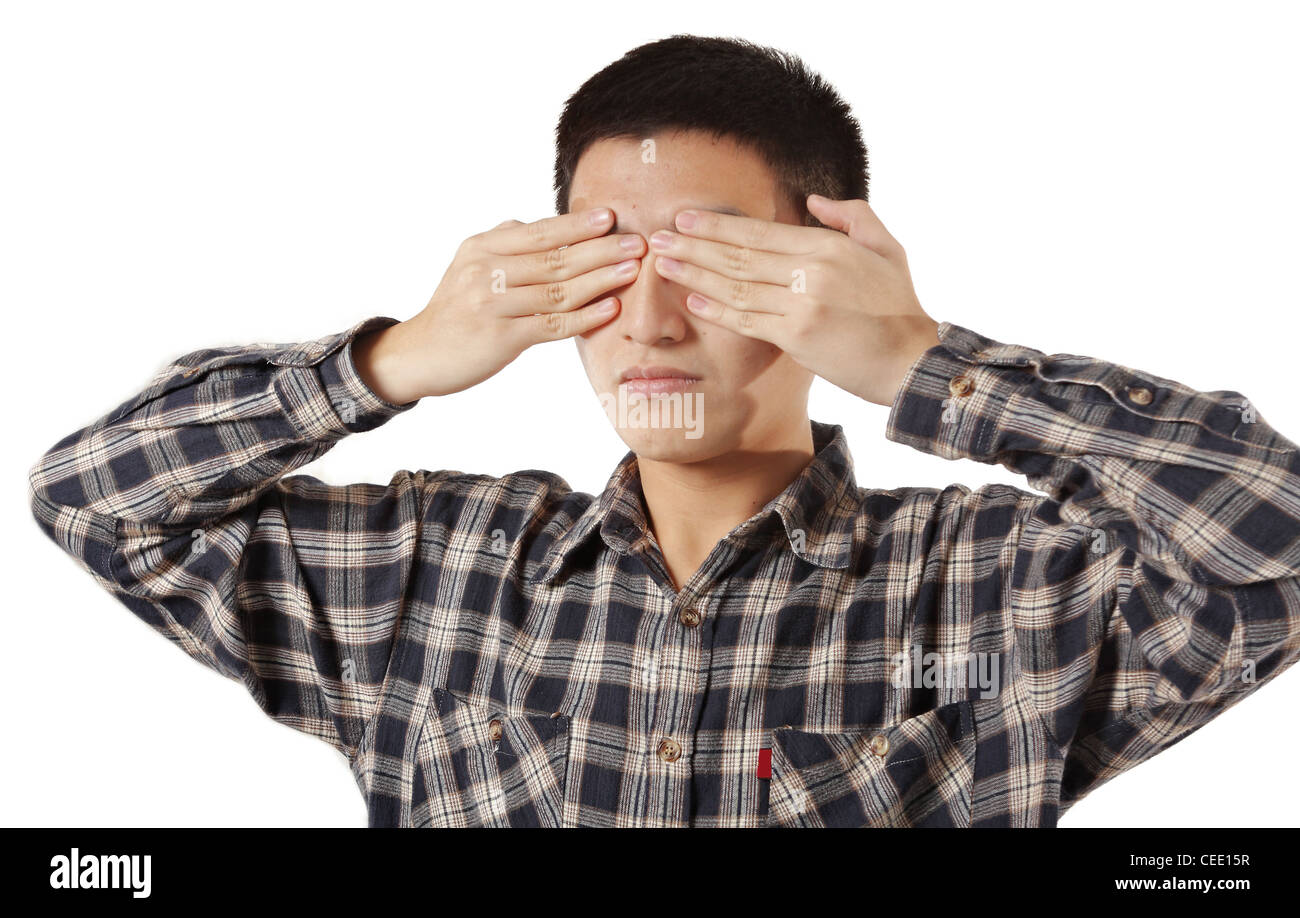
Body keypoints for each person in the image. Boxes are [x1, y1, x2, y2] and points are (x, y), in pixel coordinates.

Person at [28, 34, 1300, 827]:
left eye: (709, 259)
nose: (646, 319)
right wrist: (395, 358)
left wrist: (929, 364)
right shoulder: (428, 574)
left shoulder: (1010, 591)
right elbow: (97, 498)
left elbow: (1277, 540)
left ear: (823, 266)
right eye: (598, 259)